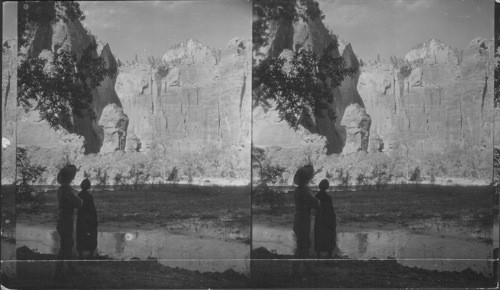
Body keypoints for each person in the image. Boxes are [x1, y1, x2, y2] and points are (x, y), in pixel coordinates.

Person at [292, 165, 319, 280]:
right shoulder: (305, 191)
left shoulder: (299, 190)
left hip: (299, 220)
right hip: (303, 221)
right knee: (304, 246)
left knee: (301, 245)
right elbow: (316, 204)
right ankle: (302, 271)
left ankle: (300, 270)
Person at [55, 165, 82, 278]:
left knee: (66, 244)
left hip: (63, 219)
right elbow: (78, 203)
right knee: (67, 244)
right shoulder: (66, 190)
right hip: (66, 220)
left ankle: (64, 268)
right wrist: (80, 199)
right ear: (70, 177)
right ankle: (61, 270)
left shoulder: (62, 189)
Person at [314, 179, 337, 258]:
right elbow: (331, 210)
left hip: (319, 219)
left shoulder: (316, 196)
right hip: (327, 219)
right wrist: (333, 220)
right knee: (329, 236)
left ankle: (318, 255)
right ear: (327, 187)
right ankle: (329, 255)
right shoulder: (328, 197)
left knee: (319, 236)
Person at [76, 178, 98, 259]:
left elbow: (78, 208)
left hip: (81, 218)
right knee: (92, 235)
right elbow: (92, 209)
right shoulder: (89, 196)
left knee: (80, 236)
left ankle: (80, 253)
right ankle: (91, 253)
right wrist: (95, 219)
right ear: (89, 187)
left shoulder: (78, 196)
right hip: (89, 218)